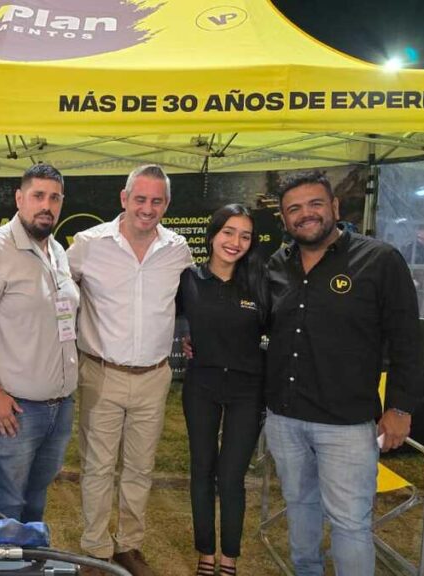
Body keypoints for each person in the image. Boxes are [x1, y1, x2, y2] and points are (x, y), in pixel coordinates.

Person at [265, 172, 424, 576]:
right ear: (284, 219)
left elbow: (407, 340)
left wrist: (400, 408)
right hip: (285, 418)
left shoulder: (380, 260)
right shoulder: (277, 265)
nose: (306, 214)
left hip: (347, 424)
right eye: (294, 209)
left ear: (335, 207)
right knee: (300, 509)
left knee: (350, 523)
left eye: (315, 204)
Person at [65, 164, 191, 576]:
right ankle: (96, 550)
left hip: (155, 376)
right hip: (101, 372)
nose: (147, 208)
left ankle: (129, 546)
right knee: (98, 467)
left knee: (140, 468)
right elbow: (60, 292)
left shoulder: (178, 249)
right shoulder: (86, 244)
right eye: (140, 199)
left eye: (157, 201)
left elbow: (192, 303)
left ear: (167, 205)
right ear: (124, 199)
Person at [0, 163, 79, 523]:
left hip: (58, 407)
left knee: (34, 502)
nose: (47, 205)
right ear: (19, 199)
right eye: (38, 196)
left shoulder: (57, 251)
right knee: (5, 506)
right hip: (12, 411)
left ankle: (27, 563)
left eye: (54, 198)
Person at [177, 204, 268, 576]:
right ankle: (206, 554)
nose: (235, 242)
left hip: (248, 390)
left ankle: (229, 557)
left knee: (231, 477)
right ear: (212, 235)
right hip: (201, 385)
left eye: (245, 235)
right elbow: (171, 317)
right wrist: (184, 336)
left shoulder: (260, 281)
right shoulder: (189, 279)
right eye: (229, 232)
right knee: (202, 470)